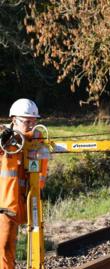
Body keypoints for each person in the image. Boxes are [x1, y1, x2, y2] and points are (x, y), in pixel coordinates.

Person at [0, 98, 47, 269]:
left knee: (35, 242)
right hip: (5, 204)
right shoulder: (3, 137)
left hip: (29, 200)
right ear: (14, 120)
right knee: (4, 247)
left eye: (34, 121)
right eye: (27, 121)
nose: (31, 125)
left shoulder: (38, 138)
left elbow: (43, 164)